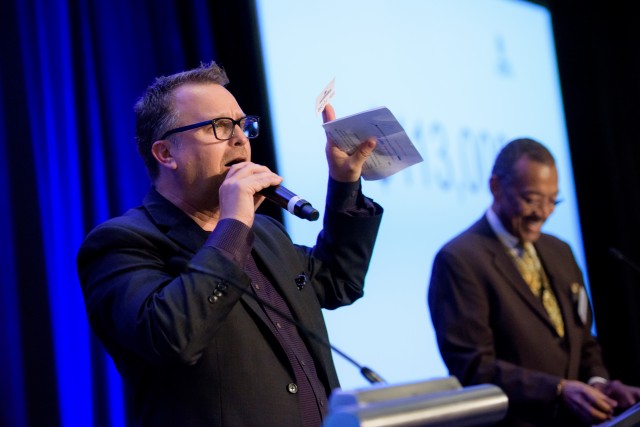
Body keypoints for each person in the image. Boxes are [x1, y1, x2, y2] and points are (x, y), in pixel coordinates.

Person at [76, 61, 383, 427]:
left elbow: (338, 281)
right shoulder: (121, 243)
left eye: (242, 125)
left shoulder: (265, 233)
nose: (240, 139)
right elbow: (171, 338)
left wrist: (345, 181)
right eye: (219, 126)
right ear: (166, 154)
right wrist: (234, 224)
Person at [428, 138, 640, 426]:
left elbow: (583, 340)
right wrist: (558, 389)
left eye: (553, 201)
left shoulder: (559, 250)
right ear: (495, 187)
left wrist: (599, 384)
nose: (543, 212)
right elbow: (473, 367)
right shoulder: (459, 259)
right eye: (531, 199)